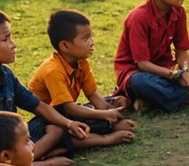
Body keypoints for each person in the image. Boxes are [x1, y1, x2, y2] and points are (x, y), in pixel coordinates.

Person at [0, 8, 88, 166]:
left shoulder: (5, 73)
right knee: (51, 134)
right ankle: (35, 162)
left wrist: (69, 123)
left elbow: (37, 105)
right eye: (5, 39)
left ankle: (33, 157)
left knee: (56, 126)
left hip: (10, 139)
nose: (13, 44)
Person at [27, 10, 136, 150]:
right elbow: (69, 108)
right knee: (64, 132)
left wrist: (111, 117)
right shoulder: (53, 71)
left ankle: (103, 128)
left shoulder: (81, 62)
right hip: (49, 119)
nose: (92, 43)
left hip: (68, 112)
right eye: (85, 39)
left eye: (91, 37)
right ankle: (105, 139)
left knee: (111, 104)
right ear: (65, 46)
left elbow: (92, 94)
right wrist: (105, 115)